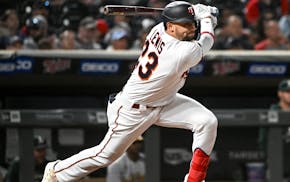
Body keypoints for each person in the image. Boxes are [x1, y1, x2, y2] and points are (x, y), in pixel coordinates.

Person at [42, 2, 218, 182]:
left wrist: (196, 14)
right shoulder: (181, 52)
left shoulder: (159, 29)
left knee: (207, 122)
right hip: (132, 110)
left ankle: (195, 179)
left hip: (165, 101)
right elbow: (207, 40)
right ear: (171, 27)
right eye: (186, 25)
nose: (191, 29)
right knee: (105, 156)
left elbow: (190, 27)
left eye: (191, 23)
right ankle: (57, 171)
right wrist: (205, 18)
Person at [258, 79, 290, 181]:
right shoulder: (272, 112)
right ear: (280, 93)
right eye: (288, 92)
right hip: (278, 164)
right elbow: (263, 140)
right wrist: (270, 160)